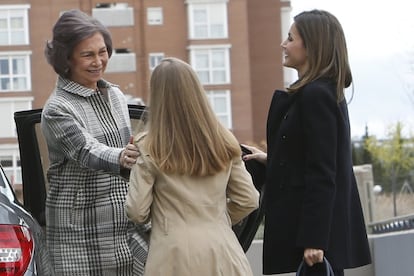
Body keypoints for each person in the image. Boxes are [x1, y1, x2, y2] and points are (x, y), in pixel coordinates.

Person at [242, 9, 371, 276]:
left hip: (312, 243)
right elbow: (312, 158)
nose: (283, 45)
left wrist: (314, 239)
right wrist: (272, 160)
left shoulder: (316, 95)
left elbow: (324, 172)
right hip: (312, 238)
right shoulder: (320, 92)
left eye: (290, 38)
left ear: (311, 45)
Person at [124, 57, 260, 276]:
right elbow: (249, 200)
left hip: (171, 255)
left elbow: (136, 211)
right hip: (224, 250)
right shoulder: (224, 139)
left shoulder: (149, 144)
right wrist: (218, 220)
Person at [41, 9, 149, 275]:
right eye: (87, 54)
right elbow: (86, 150)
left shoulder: (115, 95)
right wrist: (123, 157)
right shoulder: (57, 108)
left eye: (102, 51)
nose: (98, 61)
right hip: (78, 235)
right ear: (65, 59)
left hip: (125, 227)